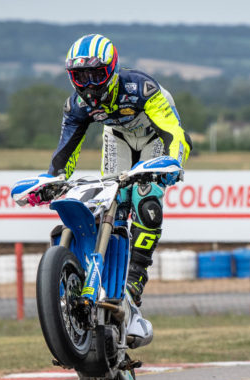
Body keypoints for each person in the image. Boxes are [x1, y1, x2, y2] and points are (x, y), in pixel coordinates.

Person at [25, 33, 191, 348]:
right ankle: (100, 284)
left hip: (156, 137)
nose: (88, 85)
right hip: (117, 138)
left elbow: (175, 132)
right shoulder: (75, 105)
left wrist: (173, 163)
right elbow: (65, 153)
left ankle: (133, 293)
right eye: (79, 77)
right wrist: (51, 181)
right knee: (112, 206)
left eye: (95, 75)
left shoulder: (142, 88)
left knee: (147, 203)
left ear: (112, 70)